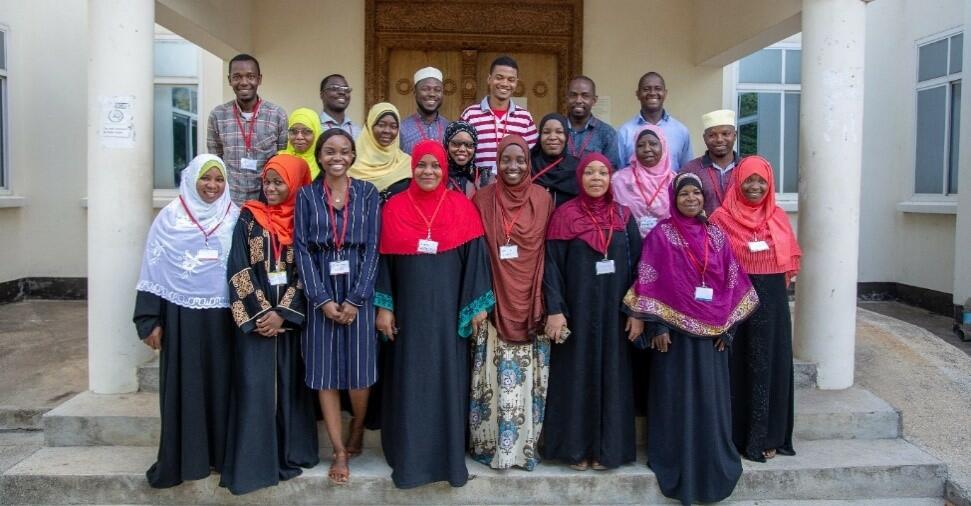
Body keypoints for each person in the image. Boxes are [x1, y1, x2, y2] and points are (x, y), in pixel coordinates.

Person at [624, 172, 759, 505]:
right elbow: (648, 279)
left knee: (709, 400)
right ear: (674, 198)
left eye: (695, 194)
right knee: (676, 398)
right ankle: (675, 457)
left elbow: (732, 280)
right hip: (673, 338)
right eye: (683, 194)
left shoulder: (716, 234)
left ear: (704, 199)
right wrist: (657, 327)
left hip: (712, 336)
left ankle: (711, 456)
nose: (690, 199)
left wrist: (728, 328)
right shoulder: (661, 235)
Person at [374, 140, 495, 489]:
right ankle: (409, 458)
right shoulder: (395, 208)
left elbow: (475, 262)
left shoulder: (462, 207)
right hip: (408, 321)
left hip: (445, 319)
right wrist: (385, 307)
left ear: (444, 169)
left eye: (435, 166)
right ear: (412, 168)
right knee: (410, 384)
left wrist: (475, 308)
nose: (429, 172)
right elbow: (383, 263)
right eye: (422, 165)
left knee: (445, 384)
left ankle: (445, 458)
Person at [132, 154, 240, 488]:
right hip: (182, 317)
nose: (212, 186)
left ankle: (221, 456)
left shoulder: (235, 216)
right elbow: (153, 268)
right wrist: (150, 319)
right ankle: (187, 458)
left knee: (224, 386)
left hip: (225, 318)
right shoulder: (169, 219)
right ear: (192, 179)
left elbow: (246, 266)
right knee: (187, 386)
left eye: (218, 180)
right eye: (205, 179)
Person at [220, 154, 319, 495]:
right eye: (268, 182)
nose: (272, 188)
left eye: (280, 182)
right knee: (255, 390)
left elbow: (309, 274)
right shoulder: (249, 218)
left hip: (288, 328)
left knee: (291, 389)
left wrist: (284, 314)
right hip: (258, 327)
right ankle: (255, 459)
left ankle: (292, 451)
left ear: (294, 184)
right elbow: (238, 268)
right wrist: (263, 314)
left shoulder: (304, 220)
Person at [542, 153, 643, 471]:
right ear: (580, 178)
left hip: (615, 316)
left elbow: (643, 269)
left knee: (613, 378)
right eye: (590, 173)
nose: (596, 178)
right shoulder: (563, 215)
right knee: (576, 378)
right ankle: (575, 450)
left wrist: (637, 312)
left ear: (610, 177)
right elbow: (551, 268)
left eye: (602, 172)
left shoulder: (624, 217)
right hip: (578, 314)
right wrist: (555, 310)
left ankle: (607, 450)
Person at [295, 128, 382, 485]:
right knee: (325, 375)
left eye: (344, 151)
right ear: (318, 156)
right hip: (321, 291)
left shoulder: (368, 193)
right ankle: (339, 449)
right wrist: (323, 300)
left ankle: (358, 427)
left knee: (360, 374)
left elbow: (374, 247)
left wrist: (355, 300)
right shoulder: (306, 195)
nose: (337, 157)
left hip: (358, 288)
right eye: (329, 151)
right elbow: (301, 247)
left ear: (352, 156)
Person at [709, 155, 801, 463]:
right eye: (748, 179)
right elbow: (712, 265)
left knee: (770, 368)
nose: (755, 186)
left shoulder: (778, 217)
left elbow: (790, 261)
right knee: (738, 369)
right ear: (737, 181)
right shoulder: (720, 219)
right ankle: (736, 436)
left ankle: (768, 436)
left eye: (761, 180)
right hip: (736, 305)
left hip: (772, 306)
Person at [469, 135, 553, 471]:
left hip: (532, 303)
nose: (513, 166)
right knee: (492, 377)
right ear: (497, 162)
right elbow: (476, 254)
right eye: (506, 159)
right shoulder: (482, 200)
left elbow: (550, 254)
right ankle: (491, 447)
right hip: (493, 305)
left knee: (528, 382)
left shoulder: (544, 199)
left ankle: (525, 448)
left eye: (520, 159)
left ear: (528, 163)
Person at [207, 54, 289, 205]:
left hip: (267, 204)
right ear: (229, 80)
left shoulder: (278, 115)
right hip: (229, 204)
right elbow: (215, 162)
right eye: (237, 76)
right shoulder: (217, 115)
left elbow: (282, 161)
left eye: (250, 76)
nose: (244, 82)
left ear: (259, 79)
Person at [460, 55, 538, 174]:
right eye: (499, 78)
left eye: (511, 80)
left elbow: (533, 156)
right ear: (489, 79)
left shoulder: (525, 118)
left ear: (516, 83)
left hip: (513, 187)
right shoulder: (470, 114)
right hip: (478, 188)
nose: (504, 83)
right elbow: (460, 153)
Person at [616, 72, 692, 171]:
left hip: (671, 187)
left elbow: (687, 171)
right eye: (646, 89)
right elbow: (619, 172)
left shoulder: (681, 131)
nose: (652, 93)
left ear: (665, 93)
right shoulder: (624, 132)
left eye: (658, 89)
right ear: (637, 94)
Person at [612, 125, 673, 237]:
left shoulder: (674, 181)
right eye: (640, 145)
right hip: (630, 247)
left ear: (663, 146)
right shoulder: (619, 180)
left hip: (667, 248)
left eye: (653, 144)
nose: (647, 149)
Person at [347, 102, 412, 202]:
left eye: (393, 126)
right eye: (381, 125)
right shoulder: (351, 162)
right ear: (370, 125)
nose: (387, 130)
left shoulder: (406, 163)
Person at [681, 109, 740, 215]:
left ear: (735, 136)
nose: (719, 139)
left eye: (725, 134)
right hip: (702, 230)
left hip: (740, 230)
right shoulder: (690, 169)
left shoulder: (746, 167)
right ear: (704, 138)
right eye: (712, 135)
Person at [565, 76, 621, 170]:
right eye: (573, 95)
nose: (578, 100)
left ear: (594, 100)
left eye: (585, 95)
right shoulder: (555, 130)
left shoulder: (607, 133)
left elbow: (611, 170)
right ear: (567, 98)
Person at [530, 113, 580, 207]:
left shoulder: (577, 168)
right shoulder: (528, 165)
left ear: (566, 136)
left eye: (559, 132)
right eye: (546, 132)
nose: (552, 137)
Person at [399, 67, 450, 154]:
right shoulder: (402, 129)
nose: (432, 94)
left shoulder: (449, 128)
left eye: (437, 90)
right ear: (414, 92)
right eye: (425, 89)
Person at [444, 120, 492, 196]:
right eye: (456, 144)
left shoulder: (484, 178)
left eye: (469, 145)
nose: (462, 149)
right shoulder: (439, 176)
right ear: (446, 144)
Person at [278, 107, 322, 180]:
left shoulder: (324, 164)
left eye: (307, 132)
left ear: (316, 133)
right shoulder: (278, 160)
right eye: (293, 131)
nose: (299, 137)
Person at [319, 74, 362, 138]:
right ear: (322, 95)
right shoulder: (314, 127)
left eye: (346, 89)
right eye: (335, 88)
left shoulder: (358, 131)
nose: (342, 92)